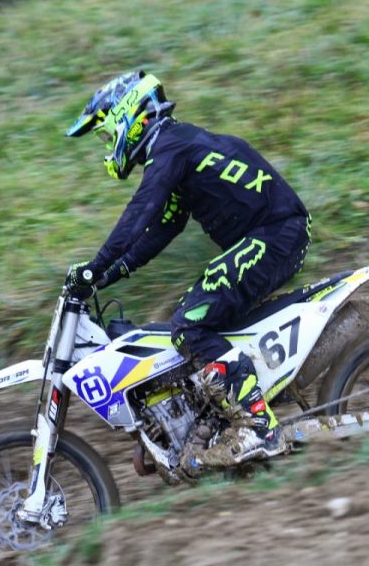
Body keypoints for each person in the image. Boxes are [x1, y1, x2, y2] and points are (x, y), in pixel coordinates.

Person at [65, 71, 312, 462]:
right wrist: (109, 275)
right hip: (276, 235)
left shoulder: (169, 149)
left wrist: (94, 268)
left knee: (188, 325)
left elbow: (140, 212)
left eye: (108, 135)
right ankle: (217, 419)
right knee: (197, 319)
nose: (109, 146)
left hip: (275, 236)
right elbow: (163, 226)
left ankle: (260, 427)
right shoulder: (179, 146)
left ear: (131, 117)